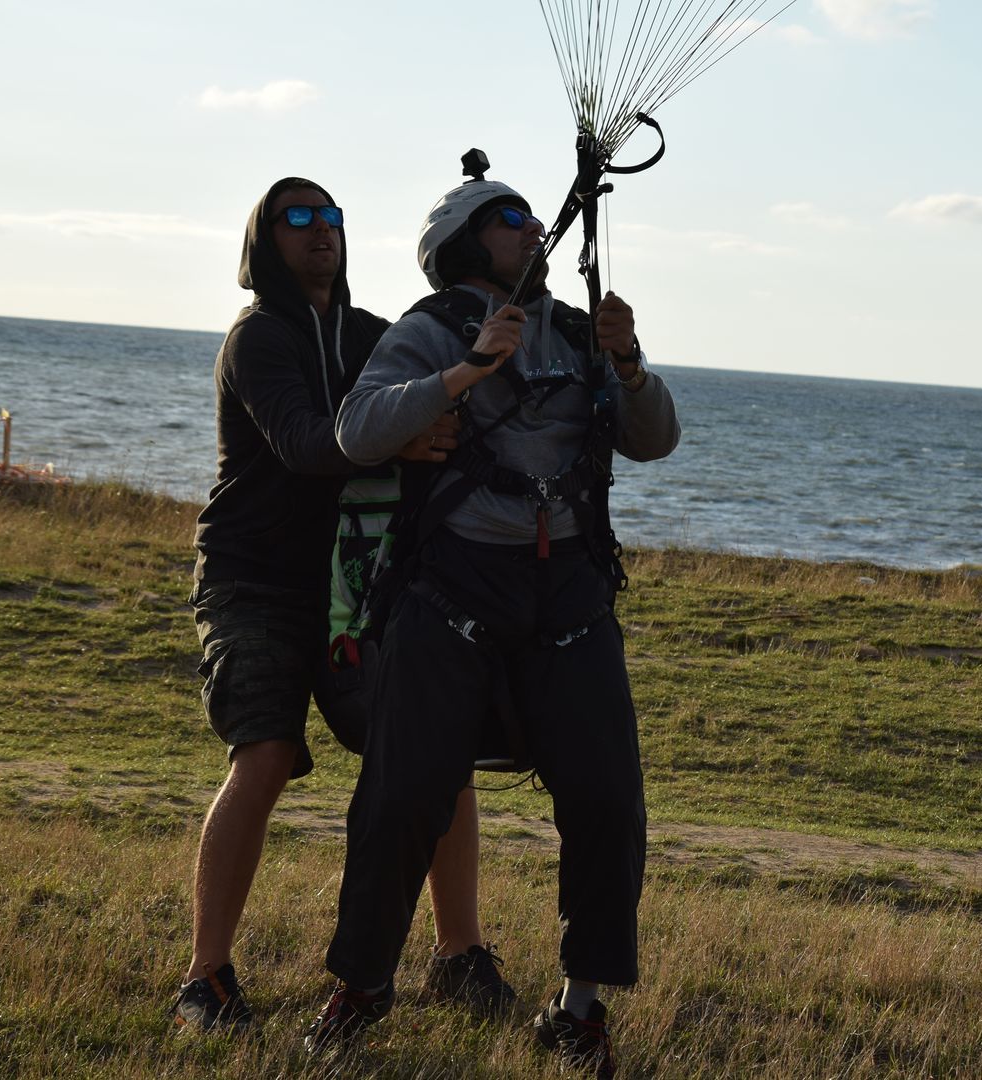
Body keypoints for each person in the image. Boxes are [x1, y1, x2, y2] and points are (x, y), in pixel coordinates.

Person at [305, 172, 679, 1078]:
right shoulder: (428, 328)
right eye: (511, 218)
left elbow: (654, 438)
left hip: (570, 593)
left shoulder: (577, 332)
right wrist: (466, 369)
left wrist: (629, 366)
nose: (533, 229)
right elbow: (357, 429)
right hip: (454, 590)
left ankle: (579, 1011)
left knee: (609, 798)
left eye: (533, 217)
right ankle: (362, 987)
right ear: (466, 240)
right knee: (402, 795)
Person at [174, 177, 510, 1033]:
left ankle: (459, 955)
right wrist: (404, 436)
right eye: (298, 217)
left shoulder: (371, 335)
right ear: (265, 239)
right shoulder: (257, 337)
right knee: (265, 753)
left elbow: (438, 412)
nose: (320, 229)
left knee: (436, 750)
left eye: (331, 217)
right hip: (254, 578)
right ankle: (205, 979)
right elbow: (302, 443)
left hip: (357, 581)